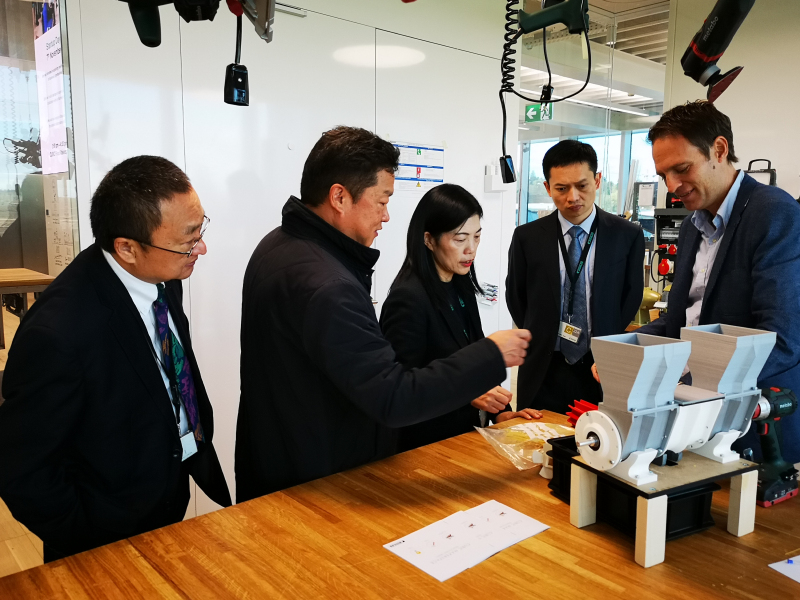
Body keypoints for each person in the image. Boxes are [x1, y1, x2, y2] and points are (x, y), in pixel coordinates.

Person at [236, 127, 531, 500]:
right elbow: (394, 397)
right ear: (339, 197)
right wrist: (491, 354)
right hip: (319, 481)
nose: (387, 216)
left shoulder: (278, 246)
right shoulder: (329, 284)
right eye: (382, 200)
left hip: (281, 464)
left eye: (476, 237)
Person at [0, 156, 231, 561]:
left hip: (165, 495)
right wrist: (88, 543)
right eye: (188, 240)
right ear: (126, 247)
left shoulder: (160, 276)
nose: (201, 248)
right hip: (103, 538)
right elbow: (23, 467)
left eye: (200, 230)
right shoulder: (58, 333)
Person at [635, 101, 800, 464]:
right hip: (695, 421)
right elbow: (685, 320)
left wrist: (696, 382)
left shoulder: (774, 212)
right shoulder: (693, 225)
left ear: (720, 150)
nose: (672, 186)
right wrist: (629, 350)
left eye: (682, 169)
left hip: (752, 430)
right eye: (663, 175)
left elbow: (784, 338)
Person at [380, 184, 542, 452]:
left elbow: (475, 355)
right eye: (460, 239)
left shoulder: (460, 283)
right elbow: (404, 390)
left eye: (477, 237)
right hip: (424, 446)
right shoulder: (408, 298)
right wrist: (469, 393)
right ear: (429, 240)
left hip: (462, 437)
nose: (471, 249)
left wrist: (501, 413)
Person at [506, 140, 644, 415]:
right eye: (561, 188)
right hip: (545, 366)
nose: (573, 197)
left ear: (597, 180)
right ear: (547, 188)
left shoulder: (626, 235)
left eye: (582, 185)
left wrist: (607, 335)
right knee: (537, 437)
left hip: (600, 365)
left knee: (602, 436)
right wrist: (543, 331)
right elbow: (517, 297)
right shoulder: (527, 237)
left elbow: (631, 295)